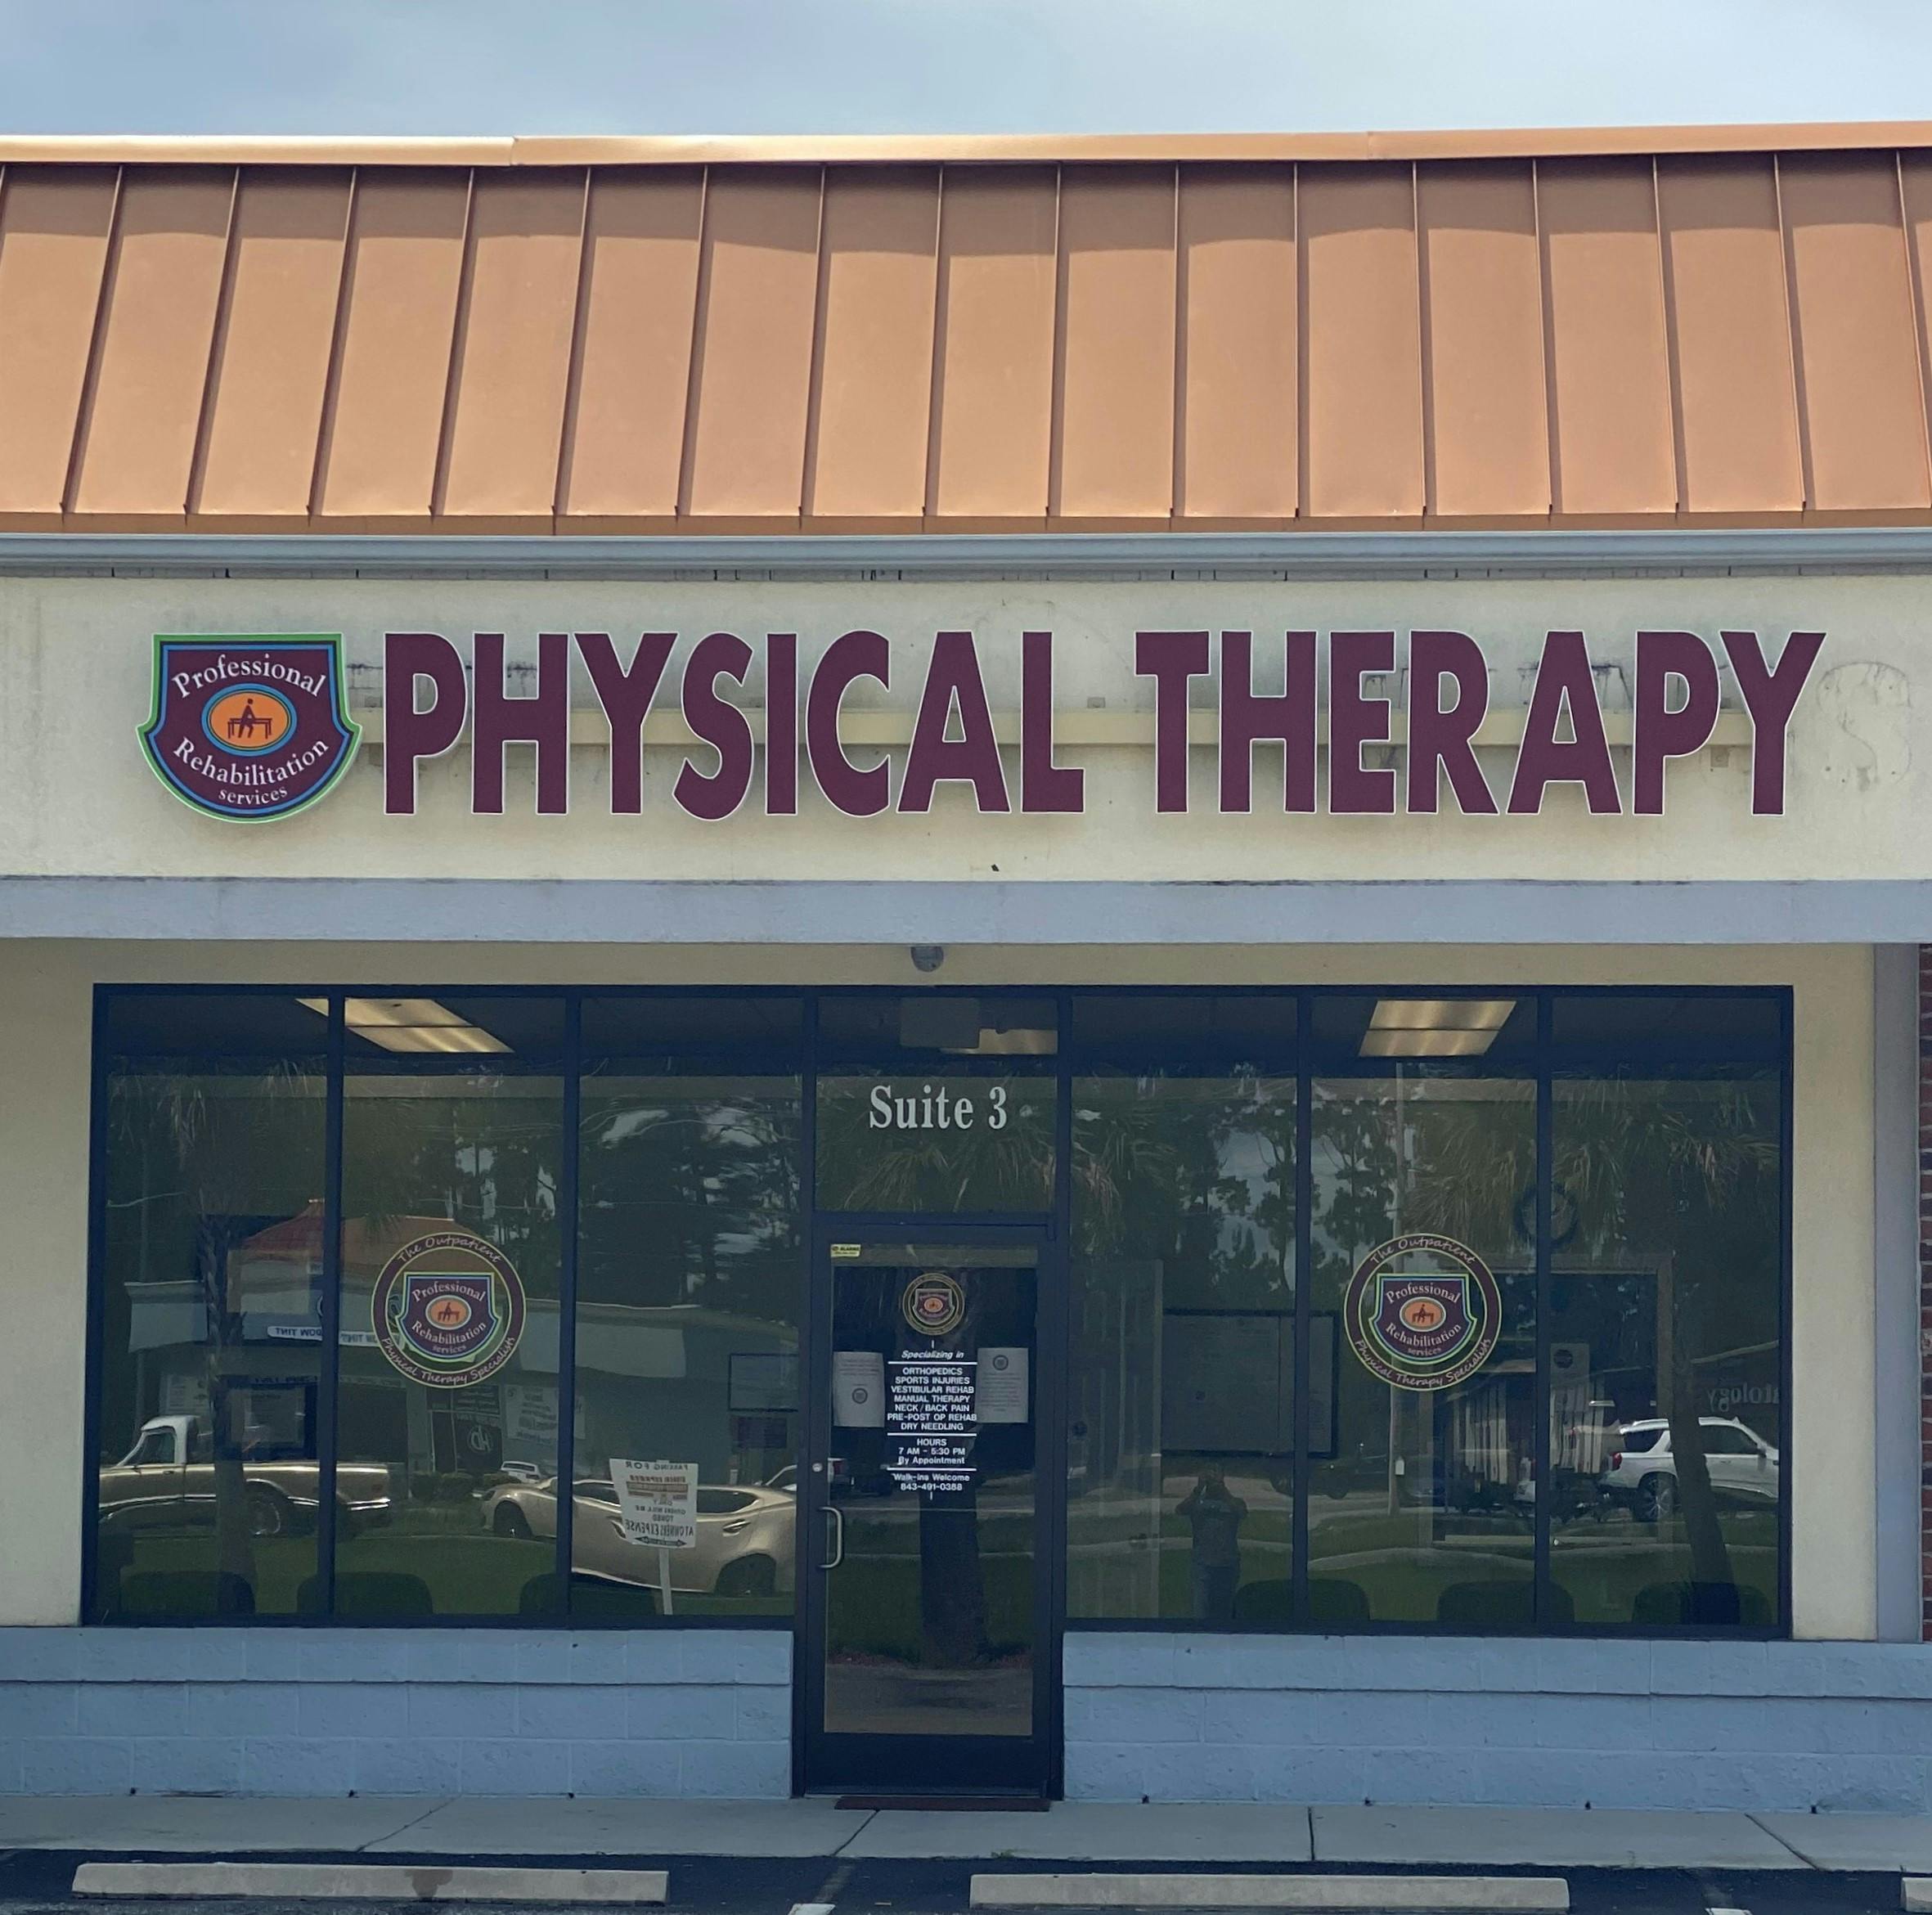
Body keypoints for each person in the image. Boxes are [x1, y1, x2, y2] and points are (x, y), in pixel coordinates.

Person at [1177, 1465, 1247, 1621]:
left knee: (1225, 1612)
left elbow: (1242, 1512)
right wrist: (1198, 1488)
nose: (1213, 1478)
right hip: (1202, 1565)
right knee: (1201, 1612)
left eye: (1216, 1474)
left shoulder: (1233, 1502)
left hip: (1228, 1564)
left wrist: (1224, 1492)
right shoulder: (1198, 1502)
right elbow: (1181, 1510)